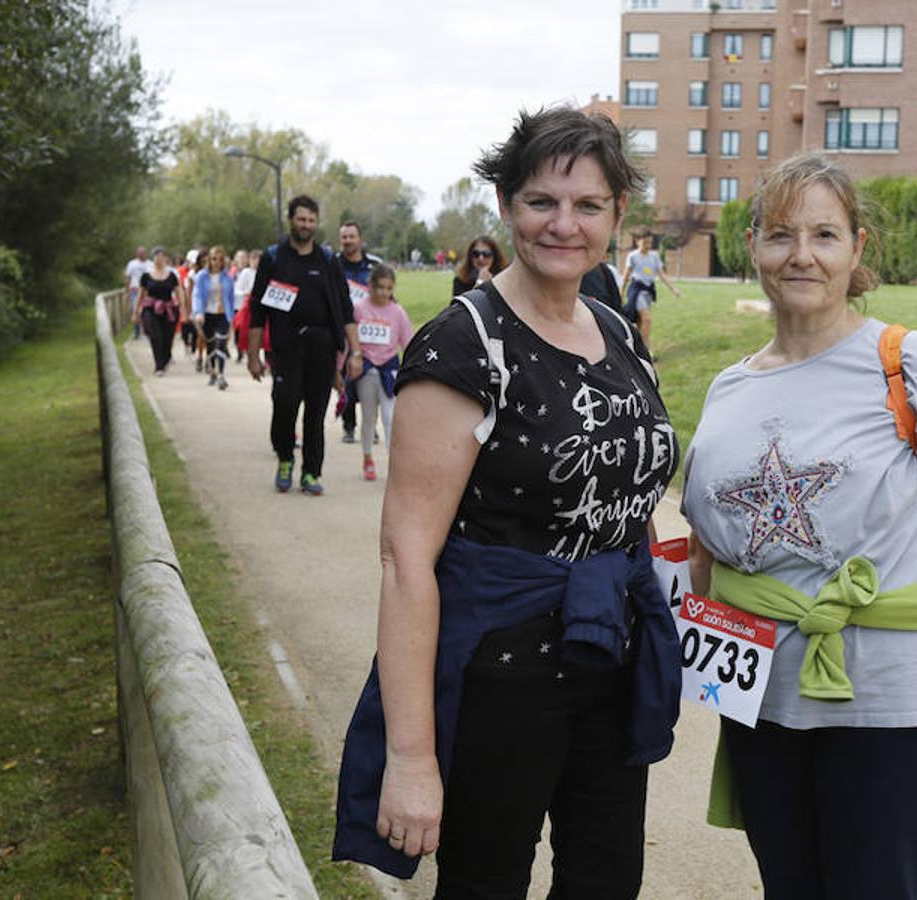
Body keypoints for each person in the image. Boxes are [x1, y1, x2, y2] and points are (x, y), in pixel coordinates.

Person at [332, 106, 682, 898]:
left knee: (604, 883)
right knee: (486, 886)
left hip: (610, 659)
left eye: (588, 205)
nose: (565, 225)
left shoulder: (615, 328)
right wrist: (412, 756)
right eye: (541, 203)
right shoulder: (463, 344)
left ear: (617, 215)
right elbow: (406, 560)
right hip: (503, 676)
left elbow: (630, 492)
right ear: (504, 205)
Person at [681, 154, 917, 900]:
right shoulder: (729, 388)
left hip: (898, 699)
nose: (801, 254)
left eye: (824, 234)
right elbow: (710, 553)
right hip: (766, 700)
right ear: (753, 247)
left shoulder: (908, 364)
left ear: (857, 250)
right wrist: (703, 678)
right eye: (781, 234)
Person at [247, 195, 363, 496]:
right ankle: (285, 458)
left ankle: (311, 472)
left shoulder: (327, 261)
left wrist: (355, 351)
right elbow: (257, 310)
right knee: (285, 405)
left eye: (311, 220)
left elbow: (345, 308)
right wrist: (253, 355)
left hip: (322, 348)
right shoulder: (274, 258)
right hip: (286, 347)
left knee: (316, 412)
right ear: (291, 220)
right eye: (301, 219)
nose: (306, 225)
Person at [349, 263, 413, 481]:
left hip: (389, 370)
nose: (384, 293)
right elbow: (350, 340)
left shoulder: (397, 312)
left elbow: (408, 342)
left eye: (388, 288)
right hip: (367, 370)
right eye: (380, 288)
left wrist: (413, 371)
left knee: (390, 418)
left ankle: (394, 465)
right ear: (371, 286)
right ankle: (367, 458)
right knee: (368, 417)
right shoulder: (359, 308)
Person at [338, 220, 383, 443]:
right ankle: (348, 425)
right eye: (344, 237)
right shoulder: (333, 264)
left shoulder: (375, 264)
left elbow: (387, 293)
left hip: (371, 332)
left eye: (351, 236)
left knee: (371, 382)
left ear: (360, 239)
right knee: (347, 380)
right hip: (344, 332)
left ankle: (370, 425)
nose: (347, 241)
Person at [619, 232, 680, 346]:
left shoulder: (654, 256)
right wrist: (621, 292)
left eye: (650, 242)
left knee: (641, 322)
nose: (648, 245)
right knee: (647, 319)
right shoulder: (633, 256)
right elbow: (626, 275)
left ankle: (635, 349)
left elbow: (661, 274)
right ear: (638, 241)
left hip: (648, 291)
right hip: (637, 290)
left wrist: (673, 289)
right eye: (645, 242)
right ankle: (645, 352)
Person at [130, 246, 183, 375]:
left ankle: (165, 359)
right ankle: (159, 366)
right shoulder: (146, 276)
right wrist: (136, 311)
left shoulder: (172, 276)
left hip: (168, 308)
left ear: (166, 258)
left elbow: (179, 293)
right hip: (150, 308)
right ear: (153, 258)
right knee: (155, 335)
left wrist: (183, 309)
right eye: (156, 256)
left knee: (167, 337)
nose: (159, 259)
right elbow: (141, 294)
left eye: (162, 256)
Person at [193, 245, 236, 390]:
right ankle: (212, 372)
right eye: (213, 259)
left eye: (220, 259)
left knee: (221, 344)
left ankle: (221, 375)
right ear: (209, 260)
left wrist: (232, 317)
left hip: (222, 314)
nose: (216, 262)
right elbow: (197, 295)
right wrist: (198, 312)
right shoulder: (201, 276)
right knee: (211, 345)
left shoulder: (228, 278)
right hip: (207, 315)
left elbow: (230, 299)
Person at [233, 248, 260, 363]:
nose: (256, 262)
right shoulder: (246, 272)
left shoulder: (264, 272)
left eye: (258, 259)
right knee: (240, 330)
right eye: (253, 259)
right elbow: (237, 289)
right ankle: (240, 351)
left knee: (255, 331)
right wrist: (246, 293)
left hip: (257, 305)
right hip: (243, 305)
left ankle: (255, 354)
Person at [125, 246, 152, 339]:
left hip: (147, 291)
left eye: (143, 252)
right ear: (137, 253)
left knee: (146, 310)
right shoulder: (132, 264)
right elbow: (128, 277)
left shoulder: (150, 264)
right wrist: (127, 291)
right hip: (135, 290)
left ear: (146, 253)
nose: (141, 254)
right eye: (139, 253)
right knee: (135, 309)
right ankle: (136, 332)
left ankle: (147, 330)